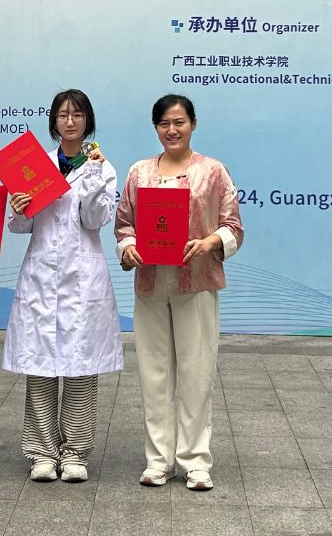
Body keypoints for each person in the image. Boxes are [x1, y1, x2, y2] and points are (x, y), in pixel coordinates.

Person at [113, 94, 243, 492]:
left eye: (179, 122)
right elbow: (124, 225)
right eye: (164, 123)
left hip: (196, 281)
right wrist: (128, 248)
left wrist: (209, 243)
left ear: (193, 124)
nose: (172, 130)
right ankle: (158, 461)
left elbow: (233, 226)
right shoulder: (139, 172)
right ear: (155, 128)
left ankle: (195, 461)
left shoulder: (212, 171)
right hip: (151, 283)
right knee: (153, 373)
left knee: (196, 372)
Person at [2, 89, 122, 483]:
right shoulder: (35, 166)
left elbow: (95, 220)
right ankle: (41, 452)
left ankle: (75, 453)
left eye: (77, 114)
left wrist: (92, 179)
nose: (70, 122)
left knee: (81, 367)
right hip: (41, 273)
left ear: (88, 120)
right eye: (62, 115)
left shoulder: (101, 166)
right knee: (39, 366)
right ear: (53, 121)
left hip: (82, 276)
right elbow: (20, 226)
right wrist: (19, 208)